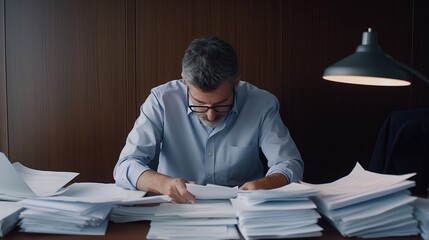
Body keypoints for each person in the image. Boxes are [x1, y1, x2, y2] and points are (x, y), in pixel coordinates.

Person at [114, 36, 303, 203]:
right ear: (185, 83)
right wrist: (164, 184)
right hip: (176, 210)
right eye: (199, 104)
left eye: (221, 104)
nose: (211, 115)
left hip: (244, 210)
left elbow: (289, 163)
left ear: (235, 84)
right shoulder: (161, 101)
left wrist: (265, 184)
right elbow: (125, 166)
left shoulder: (262, 104)